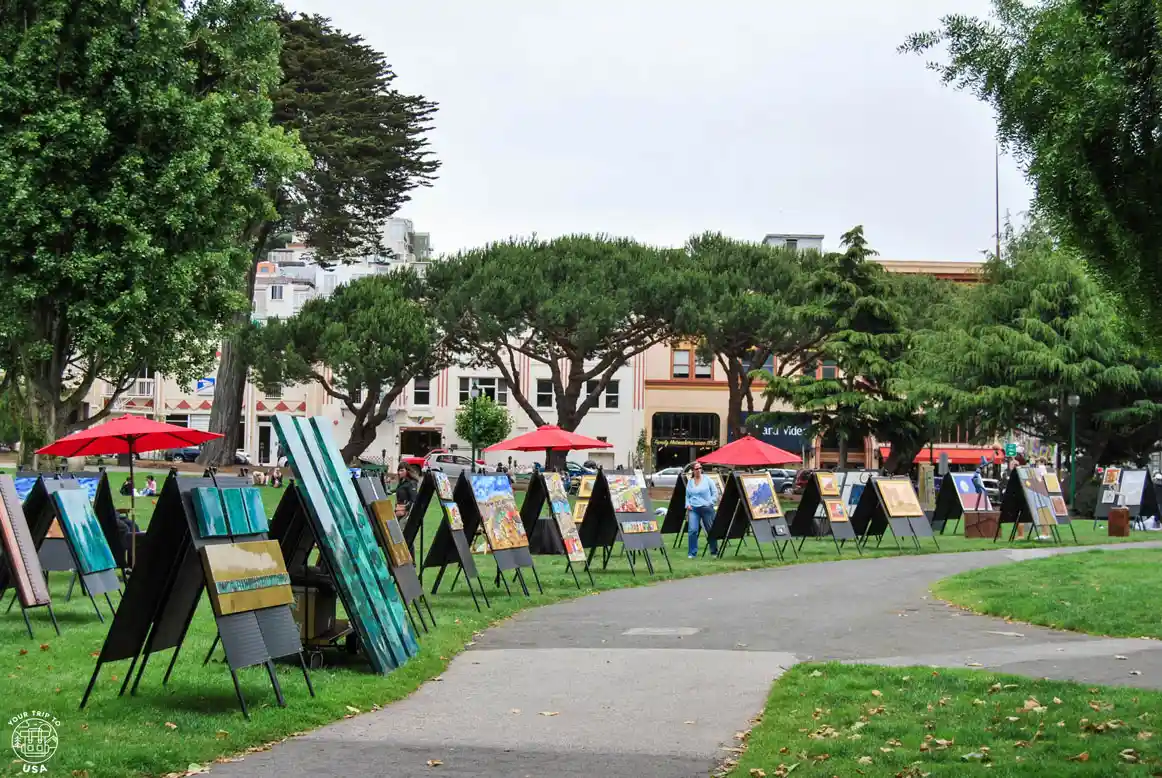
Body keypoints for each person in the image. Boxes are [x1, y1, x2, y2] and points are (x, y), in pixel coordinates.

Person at [684, 462, 719, 558]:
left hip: (706, 508)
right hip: (693, 508)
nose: (699, 470)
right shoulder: (690, 482)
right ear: (693, 471)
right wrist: (687, 504)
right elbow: (687, 496)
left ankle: (714, 551)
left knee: (710, 530)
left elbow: (715, 492)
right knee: (692, 530)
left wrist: (710, 502)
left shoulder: (707, 479)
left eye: (700, 468)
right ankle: (692, 553)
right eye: (696, 468)